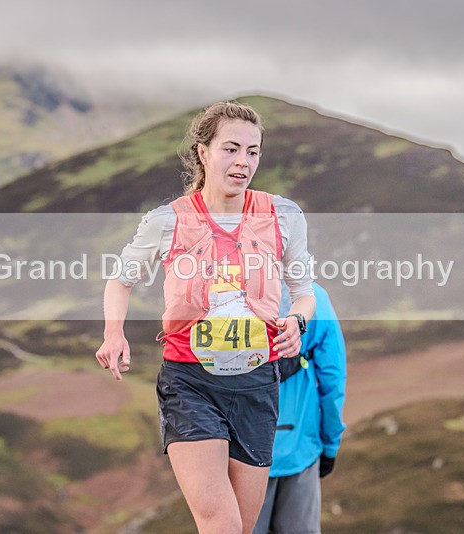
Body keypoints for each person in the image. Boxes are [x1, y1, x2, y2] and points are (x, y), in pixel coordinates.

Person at [95, 101, 315, 533]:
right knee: (222, 524)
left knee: (242, 526)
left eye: (253, 151)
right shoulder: (166, 221)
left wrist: (297, 322)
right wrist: (113, 334)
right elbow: (119, 281)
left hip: (257, 386)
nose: (243, 162)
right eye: (230, 149)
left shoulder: (284, 216)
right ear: (203, 152)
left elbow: (304, 295)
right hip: (190, 383)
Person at [253, 281, 347, 534]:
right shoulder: (316, 300)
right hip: (301, 449)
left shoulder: (226, 297)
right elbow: (332, 381)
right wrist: (330, 444)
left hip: (243, 456)